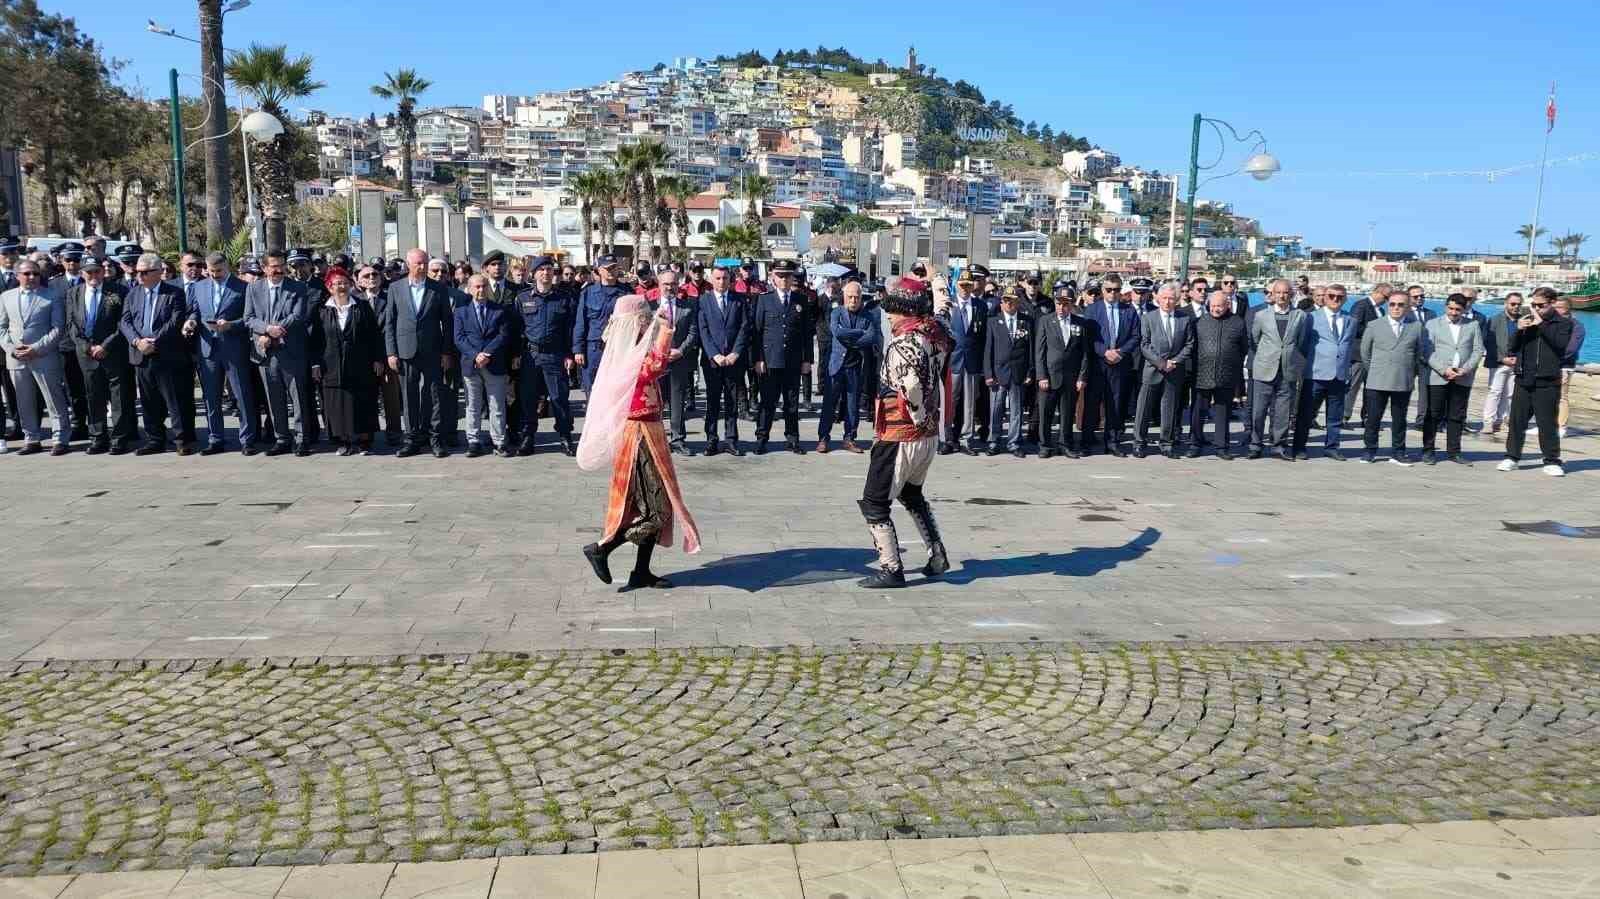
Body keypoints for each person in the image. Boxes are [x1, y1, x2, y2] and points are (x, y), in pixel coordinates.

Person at [578, 294, 702, 590]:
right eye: (644, 319)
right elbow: (653, 368)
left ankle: (641, 571)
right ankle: (602, 548)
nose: (648, 323)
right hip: (638, 436)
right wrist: (665, 332)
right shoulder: (626, 353)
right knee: (658, 509)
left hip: (649, 431)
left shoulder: (630, 347)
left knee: (648, 506)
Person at [857, 276, 953, 588]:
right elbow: (943, 313)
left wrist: (917, 415)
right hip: (928, 438)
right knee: (912, 494)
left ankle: (891, 568)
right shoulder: (936, 332)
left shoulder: (903, 344)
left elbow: (911, 385)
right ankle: (937, 554)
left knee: (874, 502)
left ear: (906, 311)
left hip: (900, 435)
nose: (889, 316)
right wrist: (938, 283)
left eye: (894, 310)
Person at [383, 248, 456, 458]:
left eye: (425, 263)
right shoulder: (396, 288)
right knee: (409, 395)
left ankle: (435, 439)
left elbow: (447, 323)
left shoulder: (438, 289)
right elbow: (390, 322)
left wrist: (446, 352)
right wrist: (391, 353)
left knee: (434, 395)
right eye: (418, 264)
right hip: (405, 350)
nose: (422, 267)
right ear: (408, 264)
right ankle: (412, 439)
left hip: (432, 350)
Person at [184, 252, 257, 455]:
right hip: (208, 348)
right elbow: (195, 311)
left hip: (234, 348)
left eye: (219, 271)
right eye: (211, 271)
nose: (215, 275)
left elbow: (249, 318)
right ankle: (215, 438)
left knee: (241, 394)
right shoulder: (199, 287)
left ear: (227, 268)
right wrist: (190, 321)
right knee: (210, 397)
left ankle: (247, 439)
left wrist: (231, 325)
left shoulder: (243, 287)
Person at [118, 254, 190, 455]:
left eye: (144, 272)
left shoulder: (174, 293)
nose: (139, 276)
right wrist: (137, 341)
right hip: (141, 354)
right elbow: (125, 321)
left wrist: (154, 341)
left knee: (173, 400)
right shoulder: (133, 294)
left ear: (158, 272)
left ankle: (181, 440)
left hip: (165, 354)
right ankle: (154, 439)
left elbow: (175, 321)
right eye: (137, 272)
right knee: (148, 400)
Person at [1498, 287, 1575, 476]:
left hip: (1547, 380)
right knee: (1517, 421)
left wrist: (1541, 325)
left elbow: (1560, 346)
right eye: (1533, 305)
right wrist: (1518, 330)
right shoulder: (1527, 320)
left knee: (1547, 422)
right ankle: (1512, 457)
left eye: (1540, 305)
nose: (1536, 309)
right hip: (1524, 378)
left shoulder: (1563, 323)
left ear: (1552, 303)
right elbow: (1512, 347)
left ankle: (1551, 460)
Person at [309, 267, 384, 456]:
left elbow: (374, 335)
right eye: (337, 284)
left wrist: (377, 358)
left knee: (363, 401)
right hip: (331, 366)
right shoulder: (321, 310)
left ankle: (364, 441)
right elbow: (315, 340)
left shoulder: (362, 306)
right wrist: (315, 364)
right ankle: (343, 441)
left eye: (344, 283)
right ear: (329, 287)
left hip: (361, 364)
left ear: (351, 285)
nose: (341, 287)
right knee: (336, 403)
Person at [244, 250, 312, 457]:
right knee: (273, 398)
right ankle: (282, 438)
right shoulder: (254, 288)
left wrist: (273, 332)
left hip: (290, 351)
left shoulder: (297, 288)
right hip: (265, 353)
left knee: (298, 397)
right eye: (274, 266)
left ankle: (302, 439)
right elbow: (249, 318)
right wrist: (265, 329)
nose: (279, 269)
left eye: (281, 265)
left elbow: (297, 316)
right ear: (264, 268)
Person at [0, 259, 71, 455]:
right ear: (17, 276)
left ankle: (60, 438)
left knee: (54, 399)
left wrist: (36, 348)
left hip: (44, 356)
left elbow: (58, 328)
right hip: (16, 358)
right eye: (27, 274)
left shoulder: (51, 296)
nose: (32, 277)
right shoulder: (6, 297)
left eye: (36, 274)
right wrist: (12, 348)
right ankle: (31, 438)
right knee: (23, 400)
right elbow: (1, 327)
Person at [64, 257, 134, 453]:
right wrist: (86, 347)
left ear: (103, 272)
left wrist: (105, 346)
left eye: (97, 271)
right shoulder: (73, 293)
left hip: (113, 352)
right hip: (86, 354)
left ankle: (119, 438)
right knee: (93, 395)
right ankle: (97, 437)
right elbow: (71, 324)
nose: (93, 275)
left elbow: (124, 322)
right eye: (89, 272)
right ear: (82, 273)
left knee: (118, 396)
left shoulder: (119, 291)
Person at [513, 256, 577, 456]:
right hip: (530, 356)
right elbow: (516, 329)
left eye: (550, 269)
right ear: (534, 274)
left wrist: (569, 354)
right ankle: (528, 437)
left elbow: (571, 329)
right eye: (542, 270)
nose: (546, 273)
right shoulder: (523, 298)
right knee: (528, 399)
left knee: (559, 398)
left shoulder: (564, 298)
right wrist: (516, 354)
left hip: (555, 355)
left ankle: (565, 437)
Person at [750, 259, 814, 455]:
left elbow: (806, 333)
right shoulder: (763, 299)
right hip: (770, 361)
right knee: (767, 402)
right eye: (780, 275)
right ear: (773, 277)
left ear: (793, 277)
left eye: (787, 276)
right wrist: (758, 358)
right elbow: (757, 332)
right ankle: (761, 438)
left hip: (793, 361)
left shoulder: (801, 300)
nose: (784, 279)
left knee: (792, 403)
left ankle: (792, 439)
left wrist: (807, 360)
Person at [1358, 288, 1424, 465]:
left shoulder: (1416, 327)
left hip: (1403, 380)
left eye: (1401, 305)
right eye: (1392, 304)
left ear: (1408, 307)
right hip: (1377, 380)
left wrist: (1410, 371)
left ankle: (1398, 452)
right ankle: (1370, 451)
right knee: (1373, 418)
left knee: (1400, 419)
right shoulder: (1374, 325)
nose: (1396, 308)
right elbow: (1365, 353)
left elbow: (1418, 353)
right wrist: (1375, 370)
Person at [452, 273, 513, 458]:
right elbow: (459, 338)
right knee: (472, 405)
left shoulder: (499, 310)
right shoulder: (461, 311)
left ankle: (499, 441)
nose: (481, 290)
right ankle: (474, 441)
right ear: (469, 289)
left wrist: (487, 353)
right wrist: (475, 355)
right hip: (471, 365)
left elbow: (503, 335)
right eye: (477, 287)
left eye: (484, 286)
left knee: (497, 405)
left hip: (494, 363)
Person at [1247, 279, 1309, 459]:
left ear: (1291, 294)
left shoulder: (1300, 316)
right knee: (1258, 411)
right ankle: (1255, 444)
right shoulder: (1261, 316)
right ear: (1272, 295)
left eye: (1286, 293)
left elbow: (1301, 341)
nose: (1282, 296)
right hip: (1264, 368)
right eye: (1278, 293)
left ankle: (1278, 445)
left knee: (1283, 412)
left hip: (1287, 370)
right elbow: (1255, 340)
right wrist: (1269, 354)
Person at [1420, 293, 1484, 465]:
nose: (1454, 312)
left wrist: (1465, 369)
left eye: (1458, 309)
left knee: (1457, 415)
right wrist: (1443, 369)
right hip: (1439, 375)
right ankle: (1428, 450)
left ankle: (1454, 452)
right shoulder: (1433, 324)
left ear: (1464, 310)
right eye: (1451, 308)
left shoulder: (1473, 325)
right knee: (1433, 414)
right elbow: (1427, 351)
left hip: (1462, 377)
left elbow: (1478, 350)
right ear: (1445, 306)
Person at [1291, 284, 1354, 460]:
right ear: (1324, 297)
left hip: (1339, 375)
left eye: (1340, 297)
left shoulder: (1350, 320)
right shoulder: (1310, 318)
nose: (1335, 299)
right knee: (1306, 414)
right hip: (1315, 373)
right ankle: (1299, 447)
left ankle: (1332, 447)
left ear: (1345, 299)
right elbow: (1302, 344)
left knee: (1335, 415)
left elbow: (1348, 347)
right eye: (1332, 296)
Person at [1132, 283, 1194, 458]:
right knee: (1144, 408)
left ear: (1177, 300)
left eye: (1171, 298)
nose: (1167, 302)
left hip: (1174, 371)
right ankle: (1139, 442)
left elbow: (1189, 344)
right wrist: (1161, 363)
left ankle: (1166, 443)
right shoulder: (1148, 318)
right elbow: (1144, 345)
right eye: (1164, 298)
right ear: (1158, 299)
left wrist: (1175, 361)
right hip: (1153, 370)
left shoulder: (1184, 319)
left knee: (1169, 408)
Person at [818, 279, 878, 453]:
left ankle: (850, 438)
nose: (853, 301)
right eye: (850, 297)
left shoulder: (868, 316)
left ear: (861, 298)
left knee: (852, 406)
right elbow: (837, 332)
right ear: (844, 296)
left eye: (857, 297)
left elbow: (871, 337)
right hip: (836, 366)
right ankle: (823, 438)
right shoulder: (836, 312)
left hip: (855, 367)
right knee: (829, 403)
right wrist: (859, 333)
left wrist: (851, 337)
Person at [1033, 284, 1092, 458]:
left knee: (1067, 413)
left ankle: (1065, 444)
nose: (1061, 307)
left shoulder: (1080, 323)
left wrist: (1082, 376)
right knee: (1046, 413)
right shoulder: (1045, 320)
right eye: (1059, 303)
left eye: (1065, 303)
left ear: (1072, 304)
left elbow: (1085, 353)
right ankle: (1045, 445)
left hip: (1071, 377)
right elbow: (1039, 351)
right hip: (1049, 376)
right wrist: (1041, 375)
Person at [1189, 291, 1249, 459]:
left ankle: (1222, 446)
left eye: (1219, 306)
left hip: (1226, 374)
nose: (1216, 309)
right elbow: (1192, 346)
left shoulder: (1237, 322)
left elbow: (1244, 347)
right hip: (1202, 373)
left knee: (1223, 412)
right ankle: (1195, 443)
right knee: (1198, 411)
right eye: (1213, 306)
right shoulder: (1200, 321)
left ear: (1227, 305)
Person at [1083, 275, 1138, 455]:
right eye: (1109, 290)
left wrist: (1120, 352)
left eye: (1116, 290)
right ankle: (1087, 439)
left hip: (1119, 363)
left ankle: (1112, 441)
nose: (1113, 293)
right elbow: (1088, 337)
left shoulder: (1128, 310)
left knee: (1115, 403)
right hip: (1098, 363)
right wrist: (1104, 352)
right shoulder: (1092, 310)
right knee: (1092, 402)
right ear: (1102, 290)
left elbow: (1136, 336)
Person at [696, 265, 747, 457]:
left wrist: (736, 353)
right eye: (717, 278)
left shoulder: (739, 300)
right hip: (713, 362)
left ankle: (731, 439)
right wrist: (714, 354)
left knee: (732, 401)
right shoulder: (703, 301)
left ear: (730, 279)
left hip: (734, 361)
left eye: (725, 278)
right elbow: (703, 330)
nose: (721, 282)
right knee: (713, 401)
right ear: (711, 279)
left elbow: (744, 328)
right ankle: (711, 439)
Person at [653, 268, 700, 456]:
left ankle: (678, 439)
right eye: (665, 284)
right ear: (659, 284)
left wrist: (680, 351)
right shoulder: (649, 306)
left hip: (679, 361)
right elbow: (644, 334)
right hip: (655, 363)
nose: (669, 287)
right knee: (655, 403)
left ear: (678, 284)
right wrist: (657, 353)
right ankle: (656, 440)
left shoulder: (687, 306)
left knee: (677, 401)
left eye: (673, 284)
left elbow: (693, 333)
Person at [982, 287, 1033, 457]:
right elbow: (988, 349)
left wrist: (1029, 372)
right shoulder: (993, 321)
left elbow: (1031, 350)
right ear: (1001, 302)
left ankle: (1014, 442)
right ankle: (994, 441)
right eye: (1006, 300)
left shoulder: (1027, 321)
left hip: (1019, 372)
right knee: (996, 409)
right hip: (998, 373)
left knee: (1016, 410)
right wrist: (988, 374)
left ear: (1018, 302)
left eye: (1012, 300)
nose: (1009, 303)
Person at [573, 255, 626, 394]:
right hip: (594, 348)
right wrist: (578, 349)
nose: (610, 271)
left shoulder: (626, 293)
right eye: (607, 268)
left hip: (618, 347)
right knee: (592, 388)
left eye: (613, 267)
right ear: (599, 270)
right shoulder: (588, 292)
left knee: (616, 390)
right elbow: (580, 322)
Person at [1343, 283, 1390, 425]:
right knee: (1352, 386)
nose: (1387, 301)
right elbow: (1354, 327)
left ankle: (1367, 417)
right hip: (1358, 354)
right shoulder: (1361, 305)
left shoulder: (1380, 311)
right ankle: (1344, 416)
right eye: (1386, 297)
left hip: (1374, 355)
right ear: (1377, 292)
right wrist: (1375, 333)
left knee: (1371, 388)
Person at [1478, 292, 1522, 437]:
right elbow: (1489, 342)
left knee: (1509, 394)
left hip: (1516, 363)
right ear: (1506, 304)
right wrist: (1502, 358)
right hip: (1498, 363)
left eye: (1518, 304)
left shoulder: (1523, 321)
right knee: (1494, 392)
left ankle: (1502, 421)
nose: (1516, 307)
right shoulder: (1495, 320)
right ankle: (1488, 422)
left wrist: (1518, 359)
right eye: (1513, 304)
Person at [1553, 296, 1584, 439]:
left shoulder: (1576, 326)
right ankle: (1546, 424)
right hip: (1547, 365)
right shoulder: (1551, 323)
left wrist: (1554, 358)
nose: (1555, 309)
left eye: (1558, 307)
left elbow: (1571, 348)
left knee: (1561, 396)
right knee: (1546, 396)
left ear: (1566, 308)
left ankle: (1561, 426)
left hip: (1564, 365)